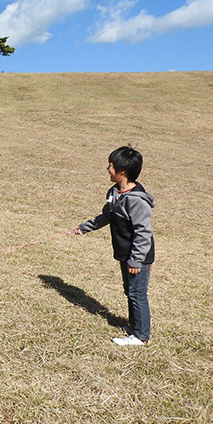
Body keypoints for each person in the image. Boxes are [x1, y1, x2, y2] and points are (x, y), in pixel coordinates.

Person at [73, 145, 155, 346]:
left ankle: (141, 336)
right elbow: (106, 215)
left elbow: (143, 233)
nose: (108, 170)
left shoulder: (136, 200)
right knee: (130, 291)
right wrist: (86, 228)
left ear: (123, 171)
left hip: (137, 256)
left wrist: (136, 259)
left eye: (111, 166)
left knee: (137, 293)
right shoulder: (114, 192)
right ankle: (134, 326)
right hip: (124, 253)